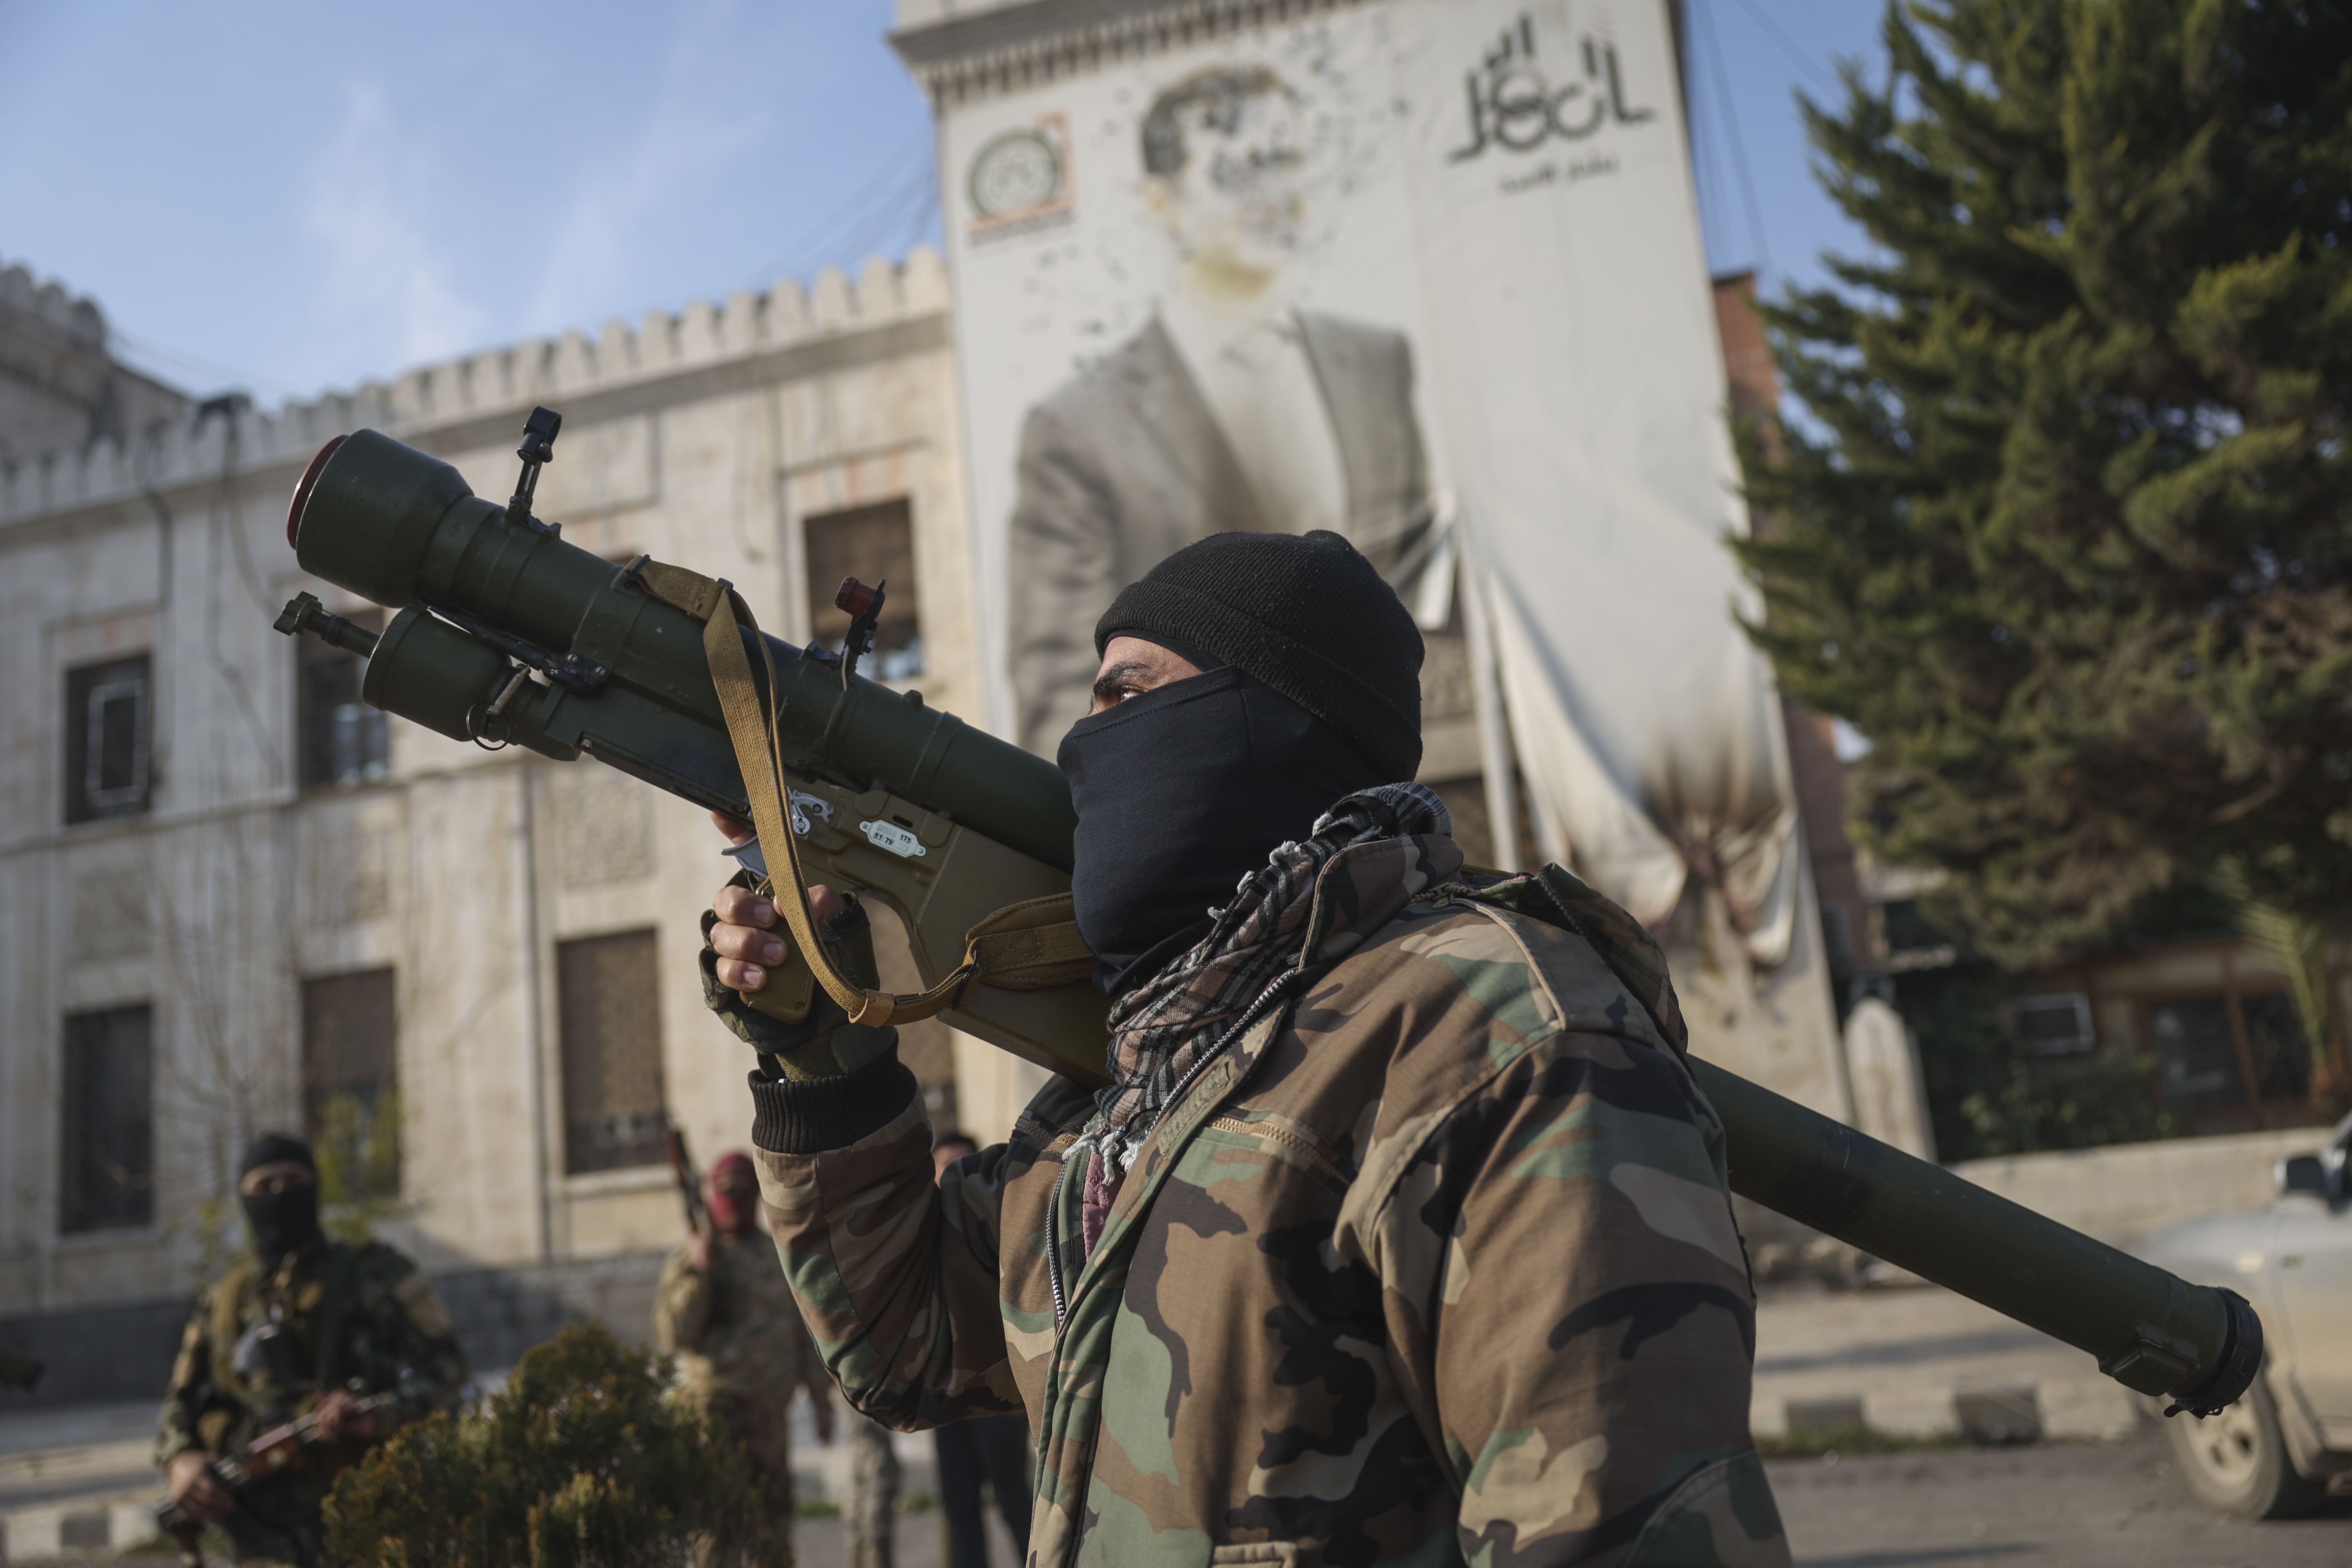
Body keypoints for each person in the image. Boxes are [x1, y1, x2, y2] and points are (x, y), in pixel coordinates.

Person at [702, 531, 1788, 1565]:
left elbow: (1617, 1530)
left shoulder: (1497, 1039)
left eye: (1129, 696)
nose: (1088, 747)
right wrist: (818, 1047)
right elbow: (911, 1345)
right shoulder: (1143, 1083)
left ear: (1270, 722)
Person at [1006, 64, 1439, 753]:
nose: (1271, 195)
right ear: (1161, 201)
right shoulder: (1079, 428)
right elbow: (1064, 703)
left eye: (1284, 162)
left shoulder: (1375, 362)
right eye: (1236, 170)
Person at [157, 1134, 468, 1566]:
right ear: (243, 1199)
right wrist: (180, 1462)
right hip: (257, 1536)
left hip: (371, 1521)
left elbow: (448, 1365)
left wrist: (382, 1411)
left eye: (294, 1179)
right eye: (264, 1185)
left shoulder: (374, 1273)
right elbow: (180, 1406)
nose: (280, 1193)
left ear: (316, 1187)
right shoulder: (223, 1302)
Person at [652, 1151, 835, 1566]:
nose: (735, 1200)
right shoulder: (693, 1258)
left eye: (744, 1190)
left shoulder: (778, 1255)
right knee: (716, 1530)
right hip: (714, 1411)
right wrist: (699, 1270)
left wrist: (821, 1402)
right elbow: (672, 1334)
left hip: (769, 1414)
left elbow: (804, 1331)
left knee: (774, 1529)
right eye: (726, 1191)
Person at [924, 1132, 1032, 1568]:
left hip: (999, 1397)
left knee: (1014, 1499)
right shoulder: (924, 1238)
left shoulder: (1002, 1230)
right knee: (960, 1504)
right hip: (947, 1400)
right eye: (945, 1166)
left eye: (962, 1166)